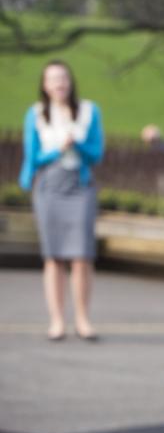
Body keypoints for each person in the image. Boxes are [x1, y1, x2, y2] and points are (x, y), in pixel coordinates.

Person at [19, 60, 104, 341]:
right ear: (45, 85)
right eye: (53, 79)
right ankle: (57, 321)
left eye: (63, 78)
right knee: (53, 256)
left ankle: (83, 319)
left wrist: (76, 144)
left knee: (81, 256)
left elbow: (96, 153)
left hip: (79, 186)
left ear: (70, 81)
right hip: (49, 187)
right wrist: (58, 148)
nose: (59, 84)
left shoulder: (89, 112)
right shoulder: (37, 114)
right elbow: (33, 157)